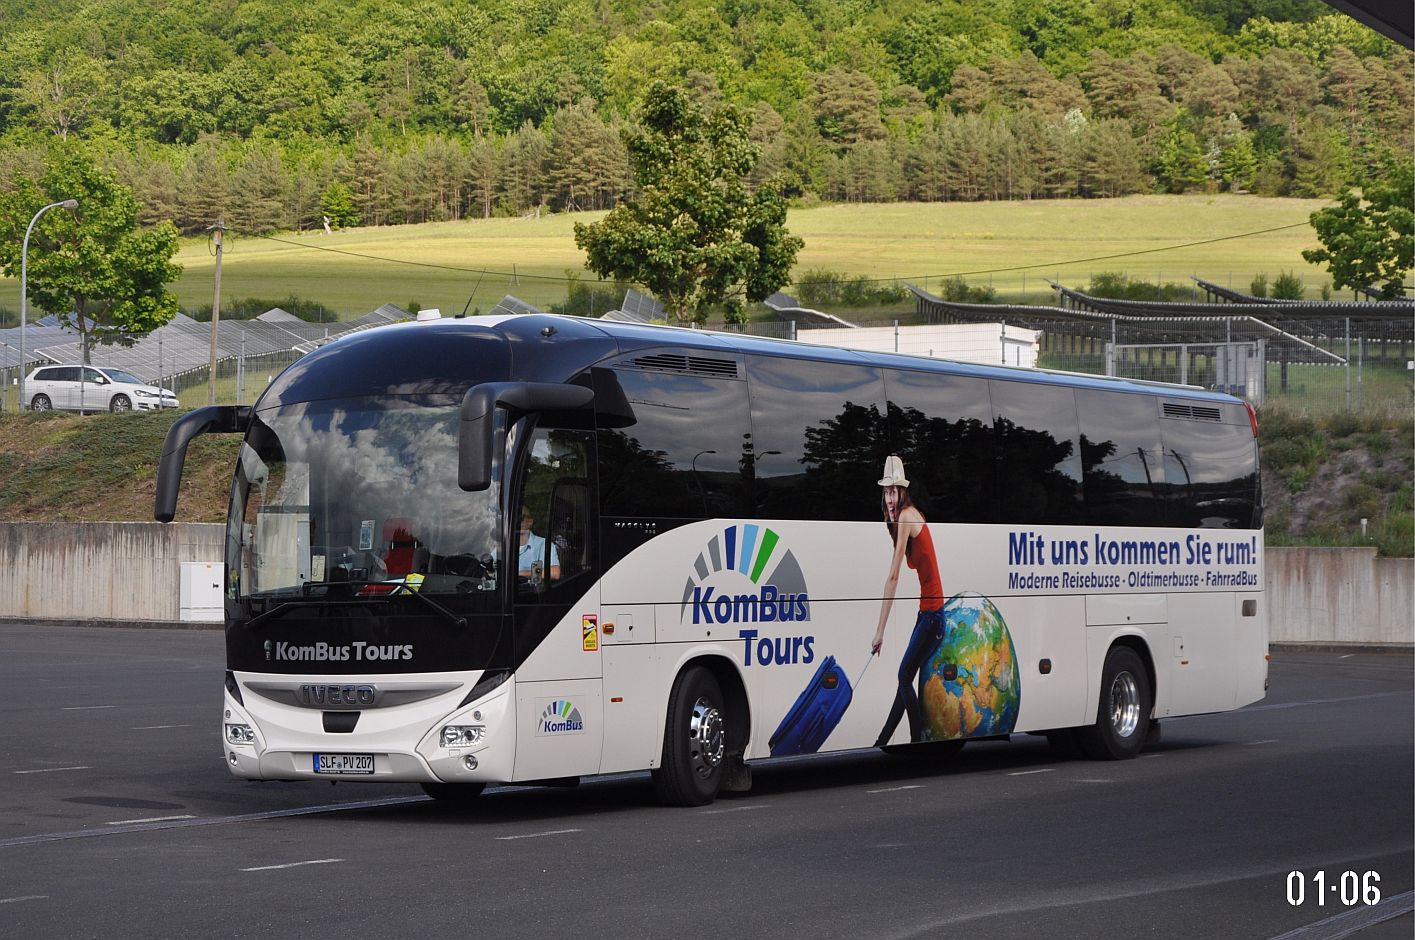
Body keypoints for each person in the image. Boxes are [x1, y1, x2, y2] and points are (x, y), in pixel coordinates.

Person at [870, 455, 946, 747]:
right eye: (886, 491)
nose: (890, 497)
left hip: (933, 614)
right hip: (927, 612)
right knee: (905, 679)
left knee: (903, 676)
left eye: (894, 491)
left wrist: (880, 632)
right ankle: (883, 740)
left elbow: (893, 577)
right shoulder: (899, 519)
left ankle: (918, 740)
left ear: (903, 492)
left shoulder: (905, 516)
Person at [517, 506, 560, 582]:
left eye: (520, 518)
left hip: (534, 592)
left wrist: (521, 574)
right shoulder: (503, 547)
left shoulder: (544, 544)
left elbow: (555, 573)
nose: (515, 521)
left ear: (530, 521)